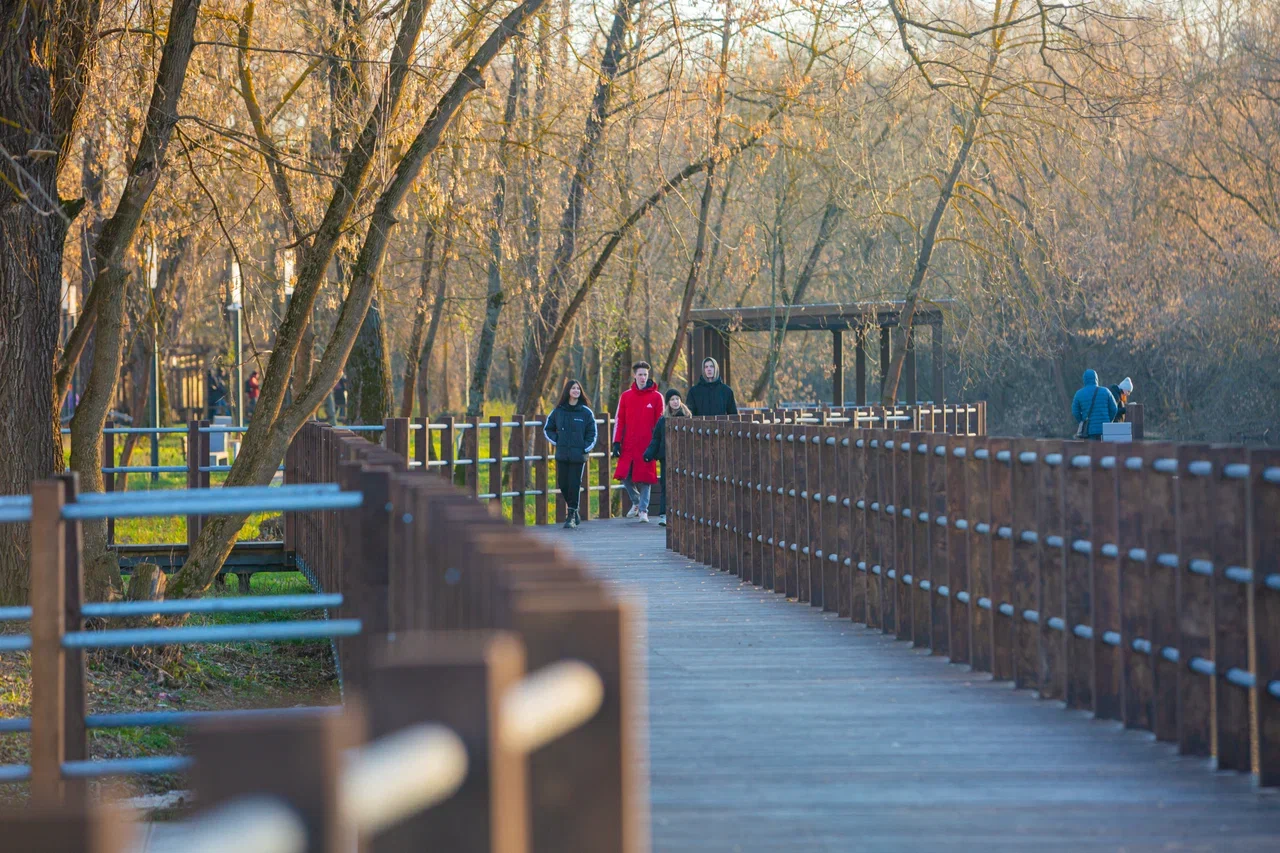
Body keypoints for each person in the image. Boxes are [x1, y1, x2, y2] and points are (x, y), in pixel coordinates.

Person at [612, 361, 663, 522]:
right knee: (624, 474)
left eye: (645, 375)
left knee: (646, 478)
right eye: (640, 374)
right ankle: (636, 501)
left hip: (648, 444)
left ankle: (643, 510)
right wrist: (616, 442)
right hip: (629, 444)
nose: (642, 377)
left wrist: (657, 446)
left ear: (649, 376)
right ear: (634, 375)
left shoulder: (656, 397)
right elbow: (620, 419)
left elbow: (660, 423)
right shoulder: (626, 396)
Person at [543, 379, 597, 529]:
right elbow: (548, 429)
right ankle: (574, 511)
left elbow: (592, 433)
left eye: (578, 389)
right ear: (567, 391)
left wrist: (585, 448)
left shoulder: (586, 412)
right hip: (562, 454)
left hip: (578, 456)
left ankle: (571, 515)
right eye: (573, 389)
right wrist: (558, 442)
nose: (576, 391)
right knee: (563, 484)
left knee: (574, 484)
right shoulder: (558, 411)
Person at [644, 388, 691, 527]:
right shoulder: (663, 420)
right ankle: (665, 514)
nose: (675, 402)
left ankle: (683, 512)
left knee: (682, 485)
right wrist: (649, 453)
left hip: (683, 457)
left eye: (677, 399)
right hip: (667, 457)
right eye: (672, 399)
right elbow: (656, 439)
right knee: (666, 485)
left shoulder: (687, 418)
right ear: (668, 403)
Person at [1072, 369, 1118, 440]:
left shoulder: (1079, 394)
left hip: (1089, 430)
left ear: (1084, 380)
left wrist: (1082, 421)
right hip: (1105, 430)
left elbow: (1075, 411)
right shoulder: (1106, 391)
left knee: (1091, 450)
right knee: (1105, 450)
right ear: (1096, 379)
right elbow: (1114, 409)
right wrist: (1108, 421)